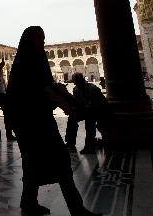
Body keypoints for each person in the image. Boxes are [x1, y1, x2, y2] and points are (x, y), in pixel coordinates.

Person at [6, 26, 101, 216]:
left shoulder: (28, 64)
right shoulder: (29, 65)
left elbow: (44, 90)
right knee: (61, 161)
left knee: (31, 164)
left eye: (43, 39)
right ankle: (76, 209)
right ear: (30, 42)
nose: (41, 44)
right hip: (32, 124)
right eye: (38, 40)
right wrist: (61, 101)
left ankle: (29, 204)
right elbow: (36, 93)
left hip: (34, 122)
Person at [65, 73, 110, 154]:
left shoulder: (92, 88)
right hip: (87, 110)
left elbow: (94, 105)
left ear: (82, 80)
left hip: (99, 111)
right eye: (75, 81)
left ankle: (90, 146)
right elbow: (76, 103)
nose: (76, 83)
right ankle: (70, 143)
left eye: (77, 80)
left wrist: (81, 110)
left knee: (89, 121)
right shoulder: (76, 89)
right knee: (72, 119)